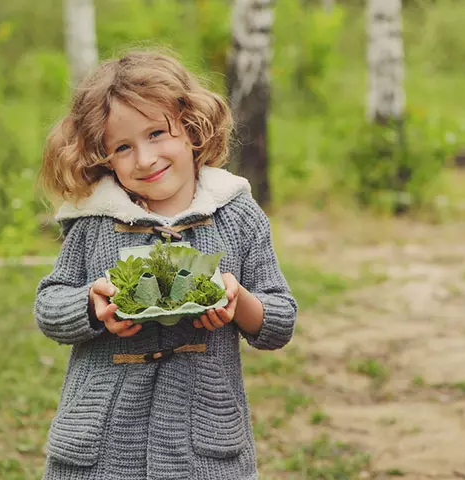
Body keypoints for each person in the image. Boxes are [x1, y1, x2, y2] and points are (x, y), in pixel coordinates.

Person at [34, 49, 297, 479]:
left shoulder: (238, 216)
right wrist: (91, 305)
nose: (144, 158)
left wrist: (238, 301)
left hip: (203, 448)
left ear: (191, 128)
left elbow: (280, 320)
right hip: (102, 448)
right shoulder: (94, 220)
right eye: (122, 147)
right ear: (103, 157)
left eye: (156, 133)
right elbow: (49, 305)